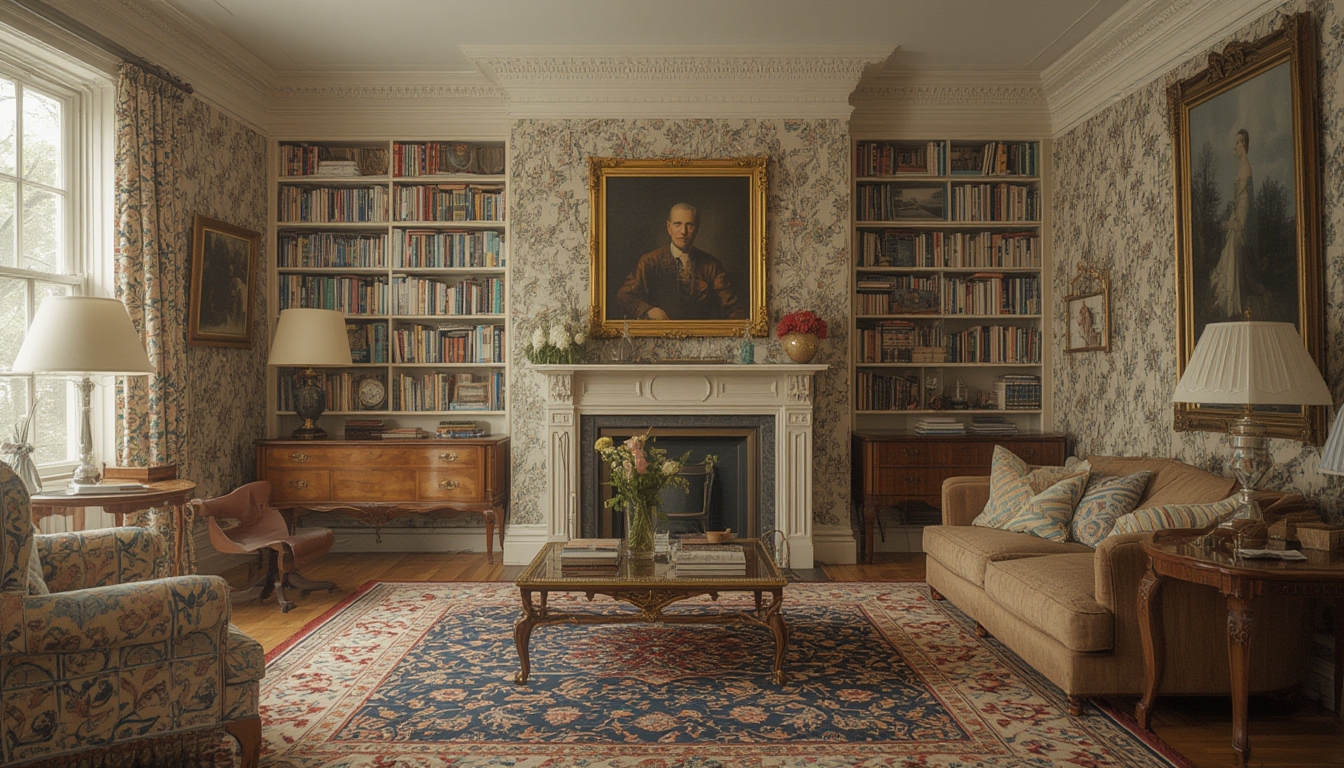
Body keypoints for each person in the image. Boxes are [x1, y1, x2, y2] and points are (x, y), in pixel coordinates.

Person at [615, 203, 745, 320]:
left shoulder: (711, 265)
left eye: (690, 225)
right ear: (669, 227)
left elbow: (733, 308)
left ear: (697, 228)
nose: (683, 231)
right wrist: (649, 310)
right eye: (677, 224)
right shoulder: (650, 261)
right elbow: (624, 296)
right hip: (659, 334)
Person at [1209, 128, 1254, 320]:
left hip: (1237, 229)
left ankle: (1232, 307)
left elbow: (1243, 208)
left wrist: (1230, 224)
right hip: (1234, 226)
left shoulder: (1245, 169)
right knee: (1227, 266)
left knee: (1231, 267)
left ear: (1243, 144)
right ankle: (1228, 308)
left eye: (1237, 142)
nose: (1234, 146)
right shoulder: (1241, 168)